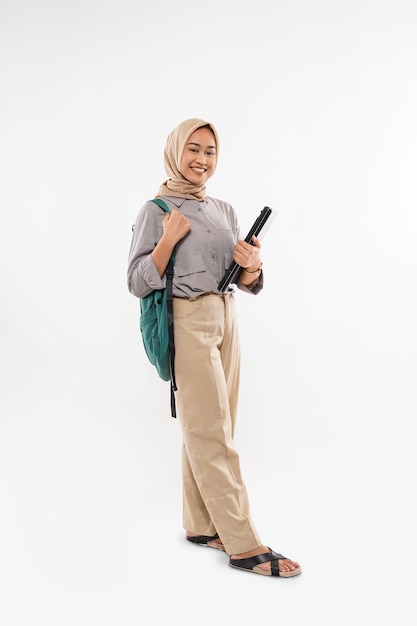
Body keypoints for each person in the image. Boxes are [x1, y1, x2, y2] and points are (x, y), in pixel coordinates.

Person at [127, 118, 301, 578]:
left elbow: (243, 281)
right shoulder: (156, 208)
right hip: (188, 322)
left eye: (210, 151)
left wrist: (252, 265)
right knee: (212, 434)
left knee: (213, 427)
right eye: (193, 149)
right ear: (174, 152)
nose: (202, 160)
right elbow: (136, 281)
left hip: (227, 319)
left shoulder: (223, 208)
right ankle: (244, 543)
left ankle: (202, 524)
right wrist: (166, 240)